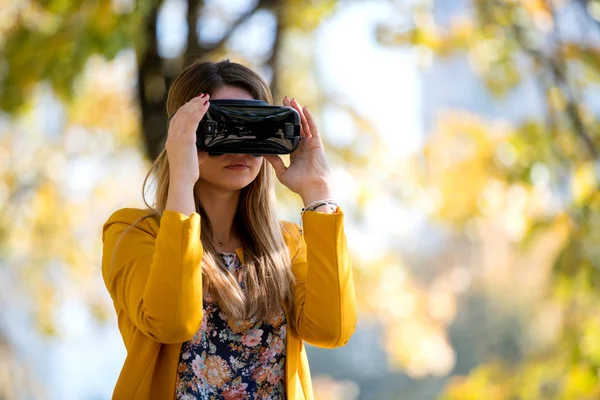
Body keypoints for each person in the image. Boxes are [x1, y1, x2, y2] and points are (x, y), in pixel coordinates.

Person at [101, 59, 357, 400]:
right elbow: (172, 322)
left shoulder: (287, 245)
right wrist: (181, 177)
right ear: (183, 134)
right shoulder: (134, 233)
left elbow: (332, 330)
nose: (240, 147)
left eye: (252, 129)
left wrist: (318, 193)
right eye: (220, 128)